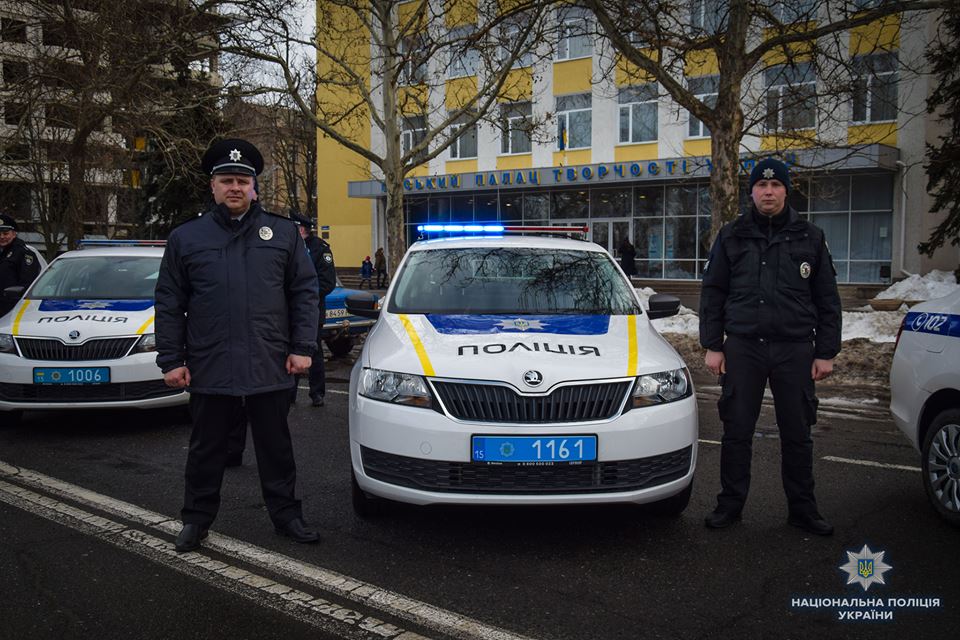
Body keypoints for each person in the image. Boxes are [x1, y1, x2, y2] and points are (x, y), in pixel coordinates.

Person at [155, 138, 321, 552]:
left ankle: (287, 516)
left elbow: (304, 292)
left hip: (270, 362)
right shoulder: (187, 237)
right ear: (212, 186)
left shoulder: (283, 233)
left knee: (275, 448)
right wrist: (171, 359)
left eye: (243, 181)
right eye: (227, 180)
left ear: (254, 187)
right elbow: (170, 301)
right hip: (211, 363)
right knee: (206, 449)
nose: (235, 187)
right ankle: (196, 520)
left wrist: (303, 347)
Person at [699, 158, 841, 536]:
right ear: (751, 192)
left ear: (786, 191)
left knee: (797, 433)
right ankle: (730, 505)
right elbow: (713, 293)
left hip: (794, 349)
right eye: (761, 187)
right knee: (736, 430)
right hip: (743, 347)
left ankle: (803, 509)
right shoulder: (732, 235)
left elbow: (827, 298)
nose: (768, 192)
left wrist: (825, 351)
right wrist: (713, 345)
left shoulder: (810, 236)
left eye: (776, 186)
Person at [0, 214, 42, 318]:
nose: (2, 237)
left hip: (11, 308)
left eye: (6, 233)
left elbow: (27, 284)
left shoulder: (24, 253)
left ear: (14, 234)